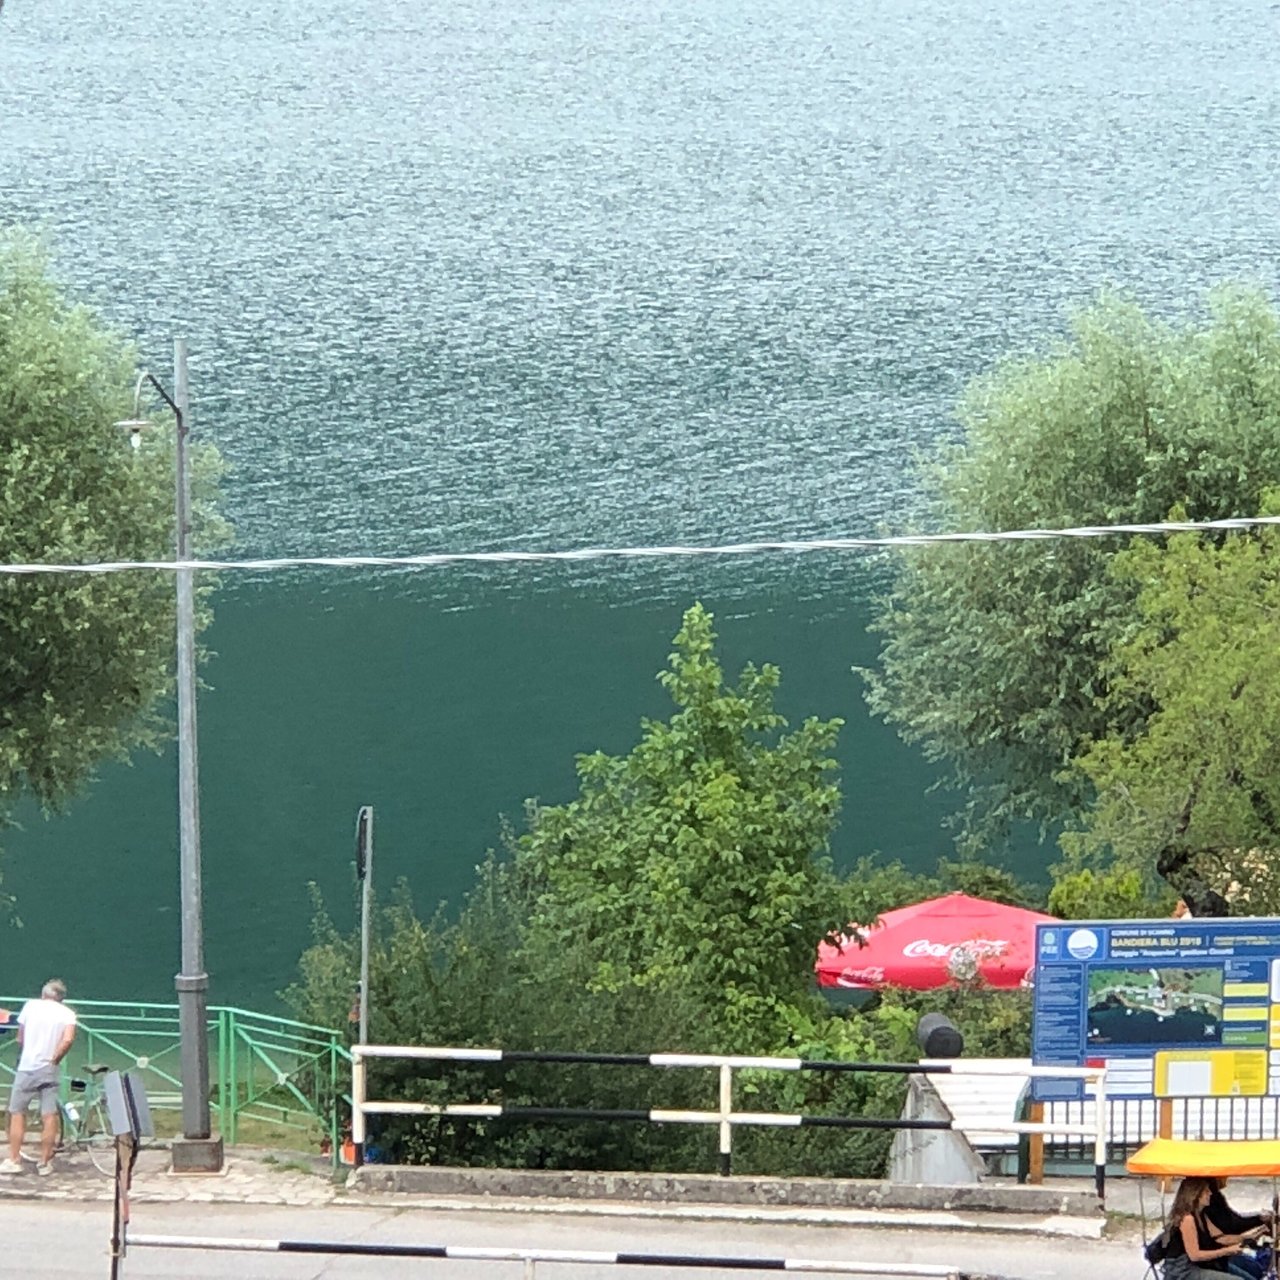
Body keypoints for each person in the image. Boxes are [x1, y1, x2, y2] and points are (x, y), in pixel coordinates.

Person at [0, 979, 77, 1176]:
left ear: (44, 994)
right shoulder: (68, 1014)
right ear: (61, 998)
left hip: (27, 1067)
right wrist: (55, 1058)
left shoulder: (30, 1006)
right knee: (49, 1115)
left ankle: (14, 1159)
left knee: (17, 1112)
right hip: (49, 1068)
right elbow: (68, 1039)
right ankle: (44, 1162)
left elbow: (20, 1037)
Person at [1162, 1177, 1251, 1280]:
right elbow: (1194, 1255)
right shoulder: (1187, 1219)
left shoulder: (1201, 1215)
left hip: (1197, 1266)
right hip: (1183, 1271)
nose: (1210, 1194)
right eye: (1206, 1191)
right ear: (1195, 1195)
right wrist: (1227, 1251)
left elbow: (1220, 1237)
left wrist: (1246, 1237)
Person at [1201, 1178, 1273, 1280]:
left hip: (1220, 1254)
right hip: (1211, 1259)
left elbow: (1220, 1236)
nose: (1225, 1179)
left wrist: (1249, 1235)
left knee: (1257, 1269)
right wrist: (1257, 1221)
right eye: (1207, 1191)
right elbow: (1230, 1227)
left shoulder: (1206, 1210)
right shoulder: (1192, 1216)